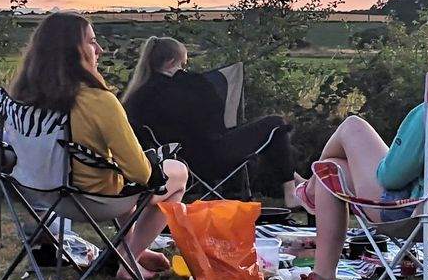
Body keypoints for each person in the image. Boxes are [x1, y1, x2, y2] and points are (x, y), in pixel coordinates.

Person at [277, 4, 428, 280]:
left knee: (352, 127)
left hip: (416, 211)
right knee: (333, 169)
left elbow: (391, 177)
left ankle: (310, 197)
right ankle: (315, 190)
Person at [7, 12, 189, 280]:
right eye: (92, 42)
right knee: (177, 173)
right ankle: (129, 260)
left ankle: (132, 250)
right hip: (94, 200)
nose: (100, 50)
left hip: (44, 196)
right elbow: (141, 173)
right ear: (74, 51)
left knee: (118, 176)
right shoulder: (98, 100)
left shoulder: (20, 98)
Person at [120, 37, 298, 209]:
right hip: (211, 156)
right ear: (171, 62)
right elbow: (214, 117)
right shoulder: (183, 89)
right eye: (183, 65)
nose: (185, 70)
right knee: (275, 123)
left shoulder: (137, 94)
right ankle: (291, 193)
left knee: (272, 131)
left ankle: (296, 181)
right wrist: (186, 79)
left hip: (176, 162)